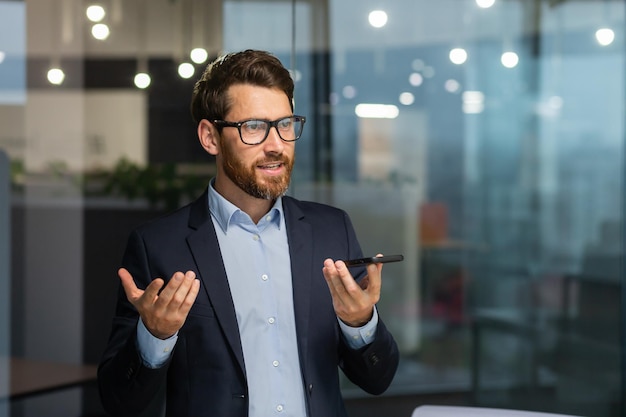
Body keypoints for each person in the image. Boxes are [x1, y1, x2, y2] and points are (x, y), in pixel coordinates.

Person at [97, 49, 399, 417]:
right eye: (254, 127)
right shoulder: (158, 245)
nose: (276, 145)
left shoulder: (331, 230)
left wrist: (360, 325)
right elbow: (118, 399)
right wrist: (154, 337)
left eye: (285, 124)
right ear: (210, 137)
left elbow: (378, 379)